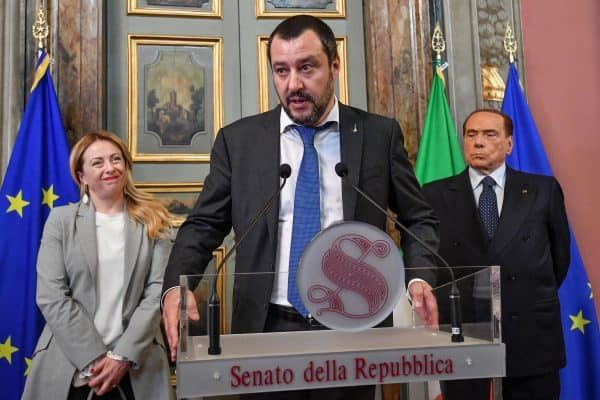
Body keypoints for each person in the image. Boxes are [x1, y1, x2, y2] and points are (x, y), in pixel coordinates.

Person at [162, 15, 439, 399]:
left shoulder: (378, 135)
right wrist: (177, 286)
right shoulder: (239, 142)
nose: (293, 84)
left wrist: (420, 277)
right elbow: (203, 226)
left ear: (335, 65)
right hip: (266, 330)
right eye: (281, 70)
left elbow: (417, 218)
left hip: (353, 327)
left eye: (306, 67)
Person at [422, 109, 570, 400]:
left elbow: (559, 259)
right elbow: (428, 258)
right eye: (471, 135)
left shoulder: (543, 190)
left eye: (489, 135)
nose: (478, 143)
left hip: (529, 328)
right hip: (463, 329)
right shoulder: (434, 194)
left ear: (509, 144)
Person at [22, 131, 174, 400]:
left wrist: (122, 356)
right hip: (70, 365)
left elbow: (156, 294)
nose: (109, 168)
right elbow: (51, 296)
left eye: (116, 159)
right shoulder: (61, 221)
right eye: (98, 162)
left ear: (126, 166)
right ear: (81, 177)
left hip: (138, 365)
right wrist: (95, 357)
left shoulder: (155, 220)